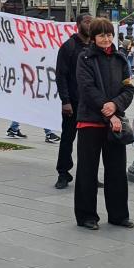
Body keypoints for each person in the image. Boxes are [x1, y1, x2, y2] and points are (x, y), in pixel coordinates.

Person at [74, 18, 134, 230]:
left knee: (117, 171)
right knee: (87, 171)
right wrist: (109, 112)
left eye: (109, 35)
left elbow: (129, 89)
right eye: (101, 35)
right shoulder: (85, 58)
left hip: (115, 121)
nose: (106, 39)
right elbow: (87, 88)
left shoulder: (120, 58)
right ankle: (86, 216)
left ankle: (119, 215)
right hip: (91, 121)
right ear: (93, 37)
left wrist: (115, 105)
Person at [54, 13, 93, 189]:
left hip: (92, 103)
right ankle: (63, 173)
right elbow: (60, 76)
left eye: (92, 22)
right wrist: (65, 101)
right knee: (68, 138)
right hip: (73, 102)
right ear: (78, 25)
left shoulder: (95, 46)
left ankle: (89, 175)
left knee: (91, 142)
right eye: (87, 22)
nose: (90, 25)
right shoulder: (68, 47)